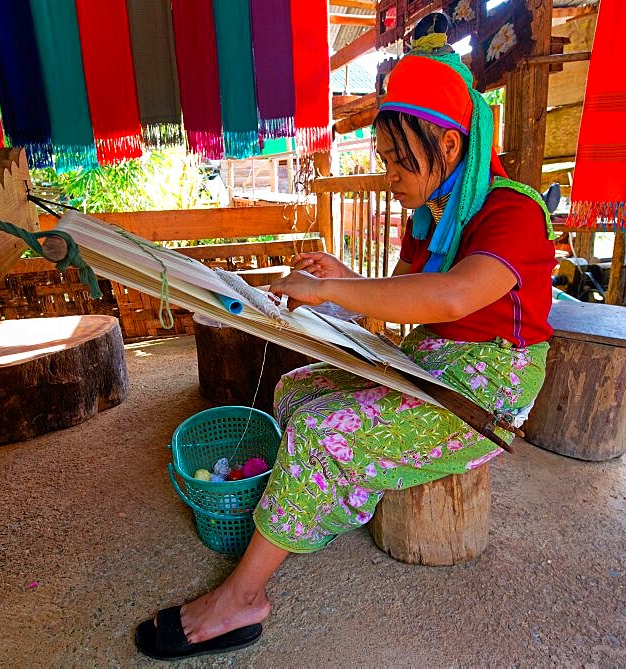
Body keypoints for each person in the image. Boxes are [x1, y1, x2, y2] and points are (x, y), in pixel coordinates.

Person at [135, 14, 556, 661]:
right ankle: (310, 506)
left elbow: (453, 296)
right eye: (385, 158)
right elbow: (403, 305)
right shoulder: (430, 218)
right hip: (430, 357)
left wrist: (332, 293)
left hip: (489, 390)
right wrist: (348, 277)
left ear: (446, 144)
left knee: (319, 431)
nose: (390, 172)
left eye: (397, 156)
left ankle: (243, 596)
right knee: (299, 387)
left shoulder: (513, 211)